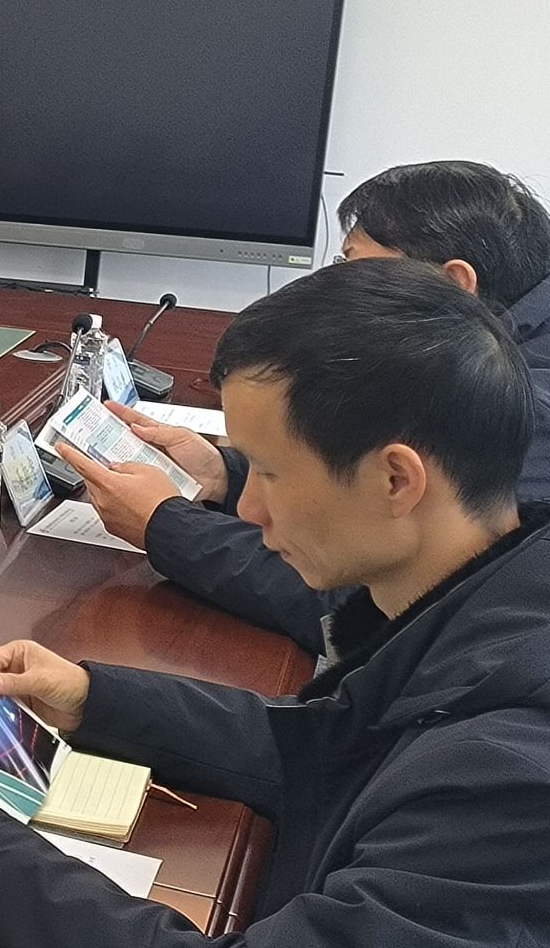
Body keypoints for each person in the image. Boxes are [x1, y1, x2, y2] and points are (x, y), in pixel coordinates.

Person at [0, 259, 550, 948]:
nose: (248, 507)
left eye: (270, 473)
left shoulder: (516, 772)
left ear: (396, 478)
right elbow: (330, 750)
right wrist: (94, 700)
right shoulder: (492, 602)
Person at [66, 159, 550, 658]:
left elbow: (366, 603)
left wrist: (166, 526)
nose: (337, 289)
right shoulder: (491, 360)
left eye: (356, 268)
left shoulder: (522, 412)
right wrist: (227, 476)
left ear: (454, 283)